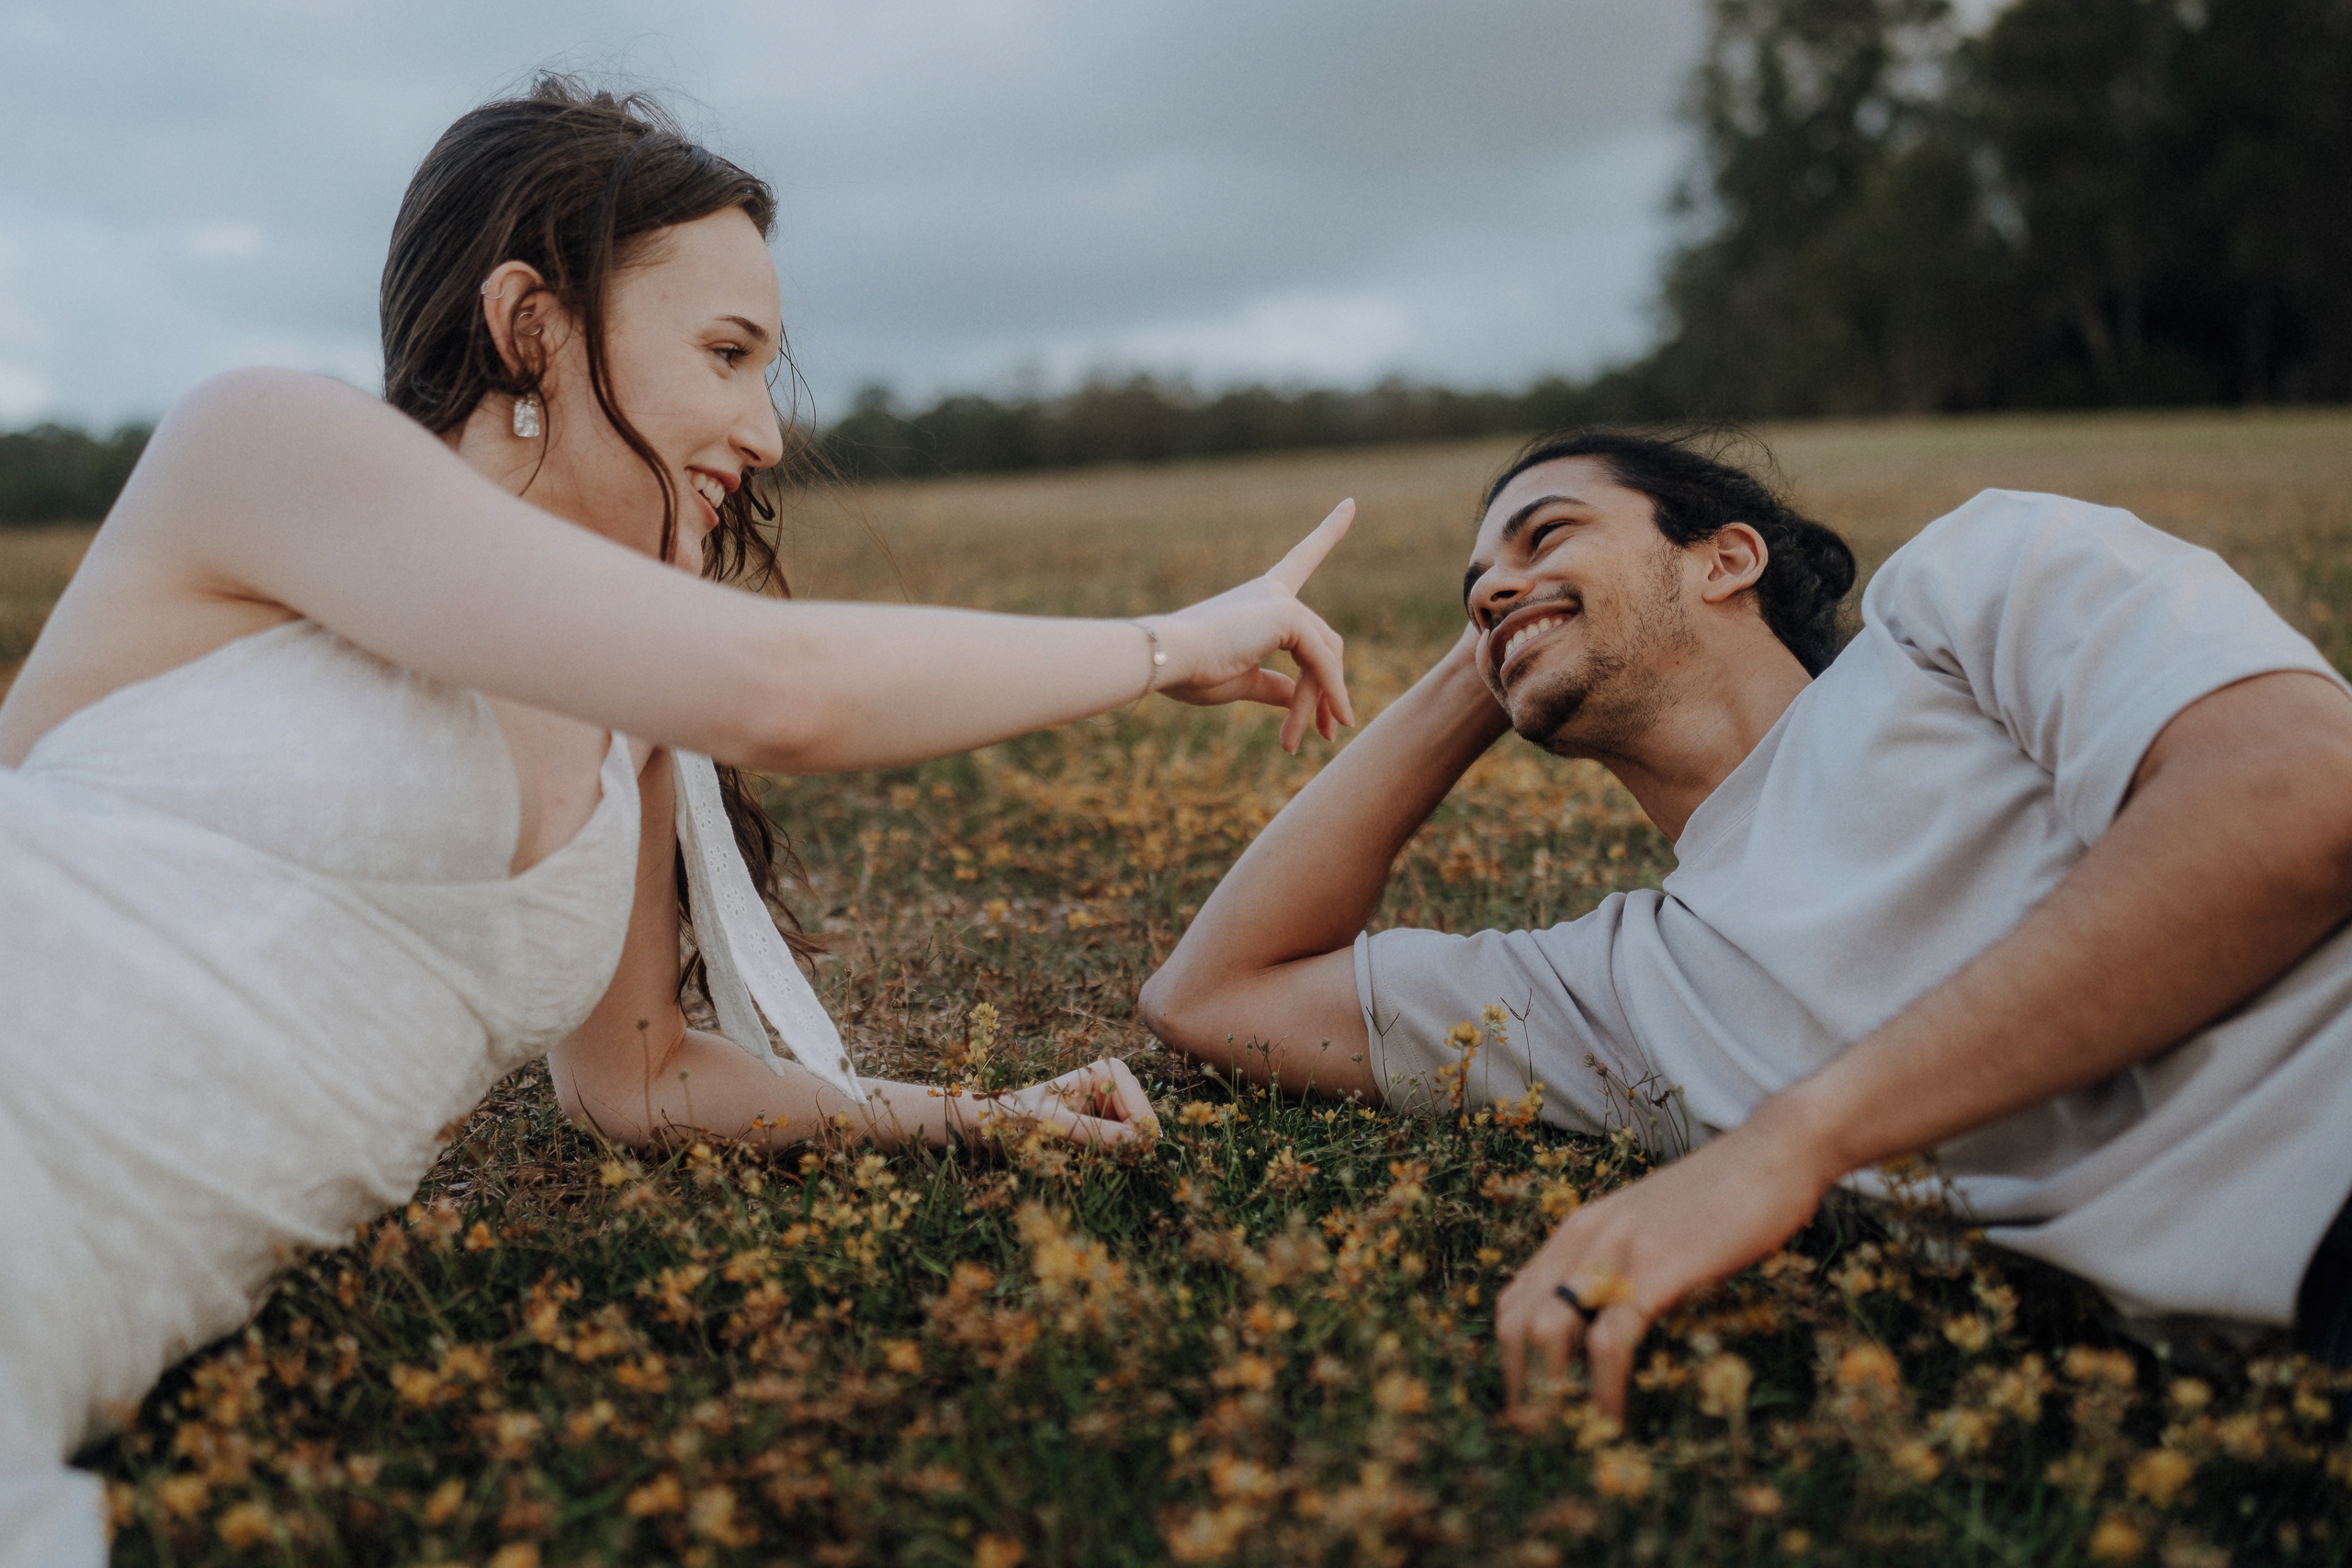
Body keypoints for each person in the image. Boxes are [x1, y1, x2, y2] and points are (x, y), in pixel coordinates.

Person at [0, 79, 1358, 1564]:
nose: (764, 435)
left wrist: (973, 1116)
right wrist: (1167, 643)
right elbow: (785, 692)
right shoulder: (258, 445)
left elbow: (638, 1079)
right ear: (533, 326)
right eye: (726, 356)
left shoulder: (627, 724)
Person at [1142, 426, 2352, 1416]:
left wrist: (1793, 1143)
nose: (1494, 584)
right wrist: (1491, 652)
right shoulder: (1624, 990)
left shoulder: (1972, 587)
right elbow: (1212, 995)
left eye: (1546, 532)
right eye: (1475, 589)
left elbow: (2299, 801)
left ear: (1727, 560)